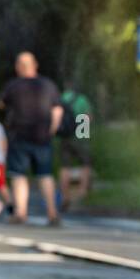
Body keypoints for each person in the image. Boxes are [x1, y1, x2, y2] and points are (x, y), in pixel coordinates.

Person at [0, 52, 63, 226]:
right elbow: (57, 110)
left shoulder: (13, 86)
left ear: (18, 67)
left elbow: (1, 104)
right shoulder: (48, 85)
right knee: (45, 175)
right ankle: (52, 212)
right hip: (43, 137)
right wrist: (52, 130)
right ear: (35, 65)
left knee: (19, 176)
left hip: (19, 137)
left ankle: (21, 212)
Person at [57, 83, 93, 212]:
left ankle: (65, 196)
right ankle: (82, 192)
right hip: (81, 134)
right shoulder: (82, 99)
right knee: (85, 163)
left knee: (65, 166)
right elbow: (88, 117)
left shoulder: (62, 98)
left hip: (66, 136)